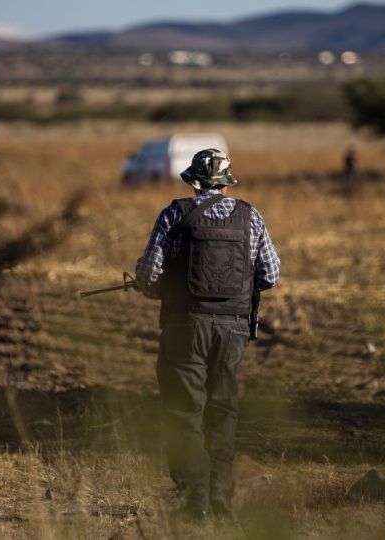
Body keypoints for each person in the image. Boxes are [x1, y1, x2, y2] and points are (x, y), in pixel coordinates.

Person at [135, 148, 280, 520]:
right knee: (223, 410)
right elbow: (270, 274)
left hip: (186, 327)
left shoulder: (174, 214)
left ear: (193, 180)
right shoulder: (252, 217)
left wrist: (156, 288)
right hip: (233, 330)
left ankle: (193, 500)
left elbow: (150, 275)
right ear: (227, 184)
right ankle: (221, 499)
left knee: (185, 411)